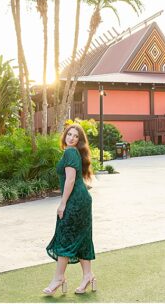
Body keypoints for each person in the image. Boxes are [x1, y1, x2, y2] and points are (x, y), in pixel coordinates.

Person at [44, 123, 96, 295]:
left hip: (75, 201)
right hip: (82, 200)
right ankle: (88, 275)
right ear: (65, 135)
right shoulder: (74, 152)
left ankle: (59, 278)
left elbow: (70, 180)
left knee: (65, 236)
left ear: (79, 140)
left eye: (76, 136)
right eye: (69, 134)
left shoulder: (70, 152)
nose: (72, 138)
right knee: (81, 237)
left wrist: (63, 203)